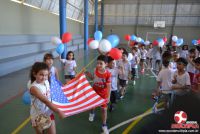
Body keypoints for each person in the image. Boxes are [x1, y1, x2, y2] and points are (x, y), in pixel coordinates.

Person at [29, 62, 65, 134]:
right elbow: (46, 101)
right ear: (34, 74)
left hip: (48, 112)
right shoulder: (34, 88)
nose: (44, 77)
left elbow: (49, 95)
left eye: (46, 75)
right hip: (38, 116)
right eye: (41, 74)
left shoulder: (46, 82)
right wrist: (58, 111)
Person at [85, 55, 111, 134]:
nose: (98, 65)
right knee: (92, 105)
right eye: (97, 63)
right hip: (94, 92)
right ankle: (92, 113)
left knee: (104, 110)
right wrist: (87, 73)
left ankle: (104, 125)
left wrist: (108, 96)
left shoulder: (108, 74)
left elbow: (108, 86)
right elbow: (93, 78)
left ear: (106, 64)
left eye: (101, 63)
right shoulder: (95, 70)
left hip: (103, 95)